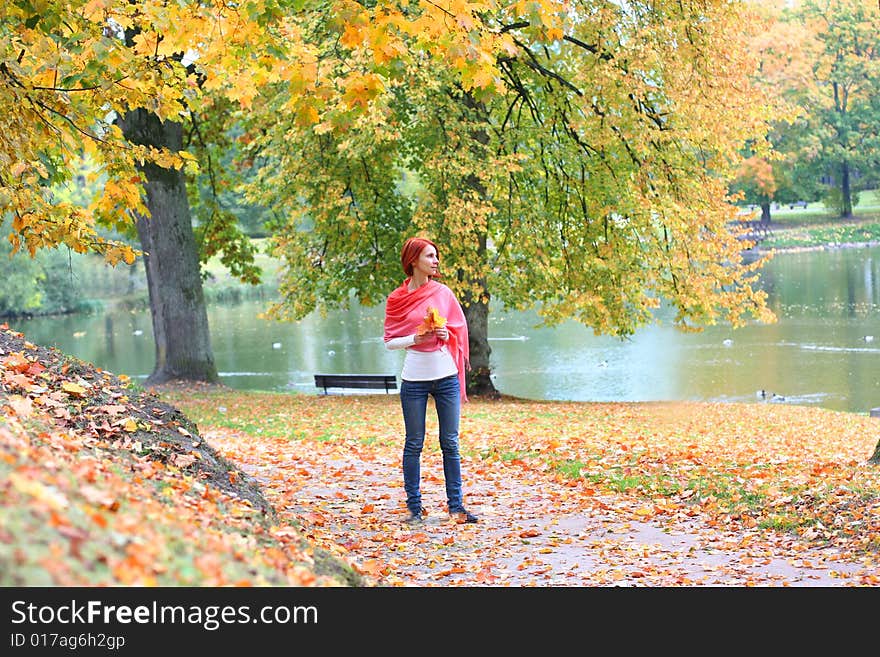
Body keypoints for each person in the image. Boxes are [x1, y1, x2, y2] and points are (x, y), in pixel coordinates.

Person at [383, 237, 478, 524]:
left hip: (446, 375)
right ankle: (414, 507)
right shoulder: (396, 299)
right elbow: (389, 342)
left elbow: (457, 329)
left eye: (436, 256)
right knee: (414, 443)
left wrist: (446, 335)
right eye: (430, 256)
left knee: (450, 442)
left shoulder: (443, 293)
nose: (436, 261)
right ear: (414, 261)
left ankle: (456, 507)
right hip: (414, 379)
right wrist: (415, 338)